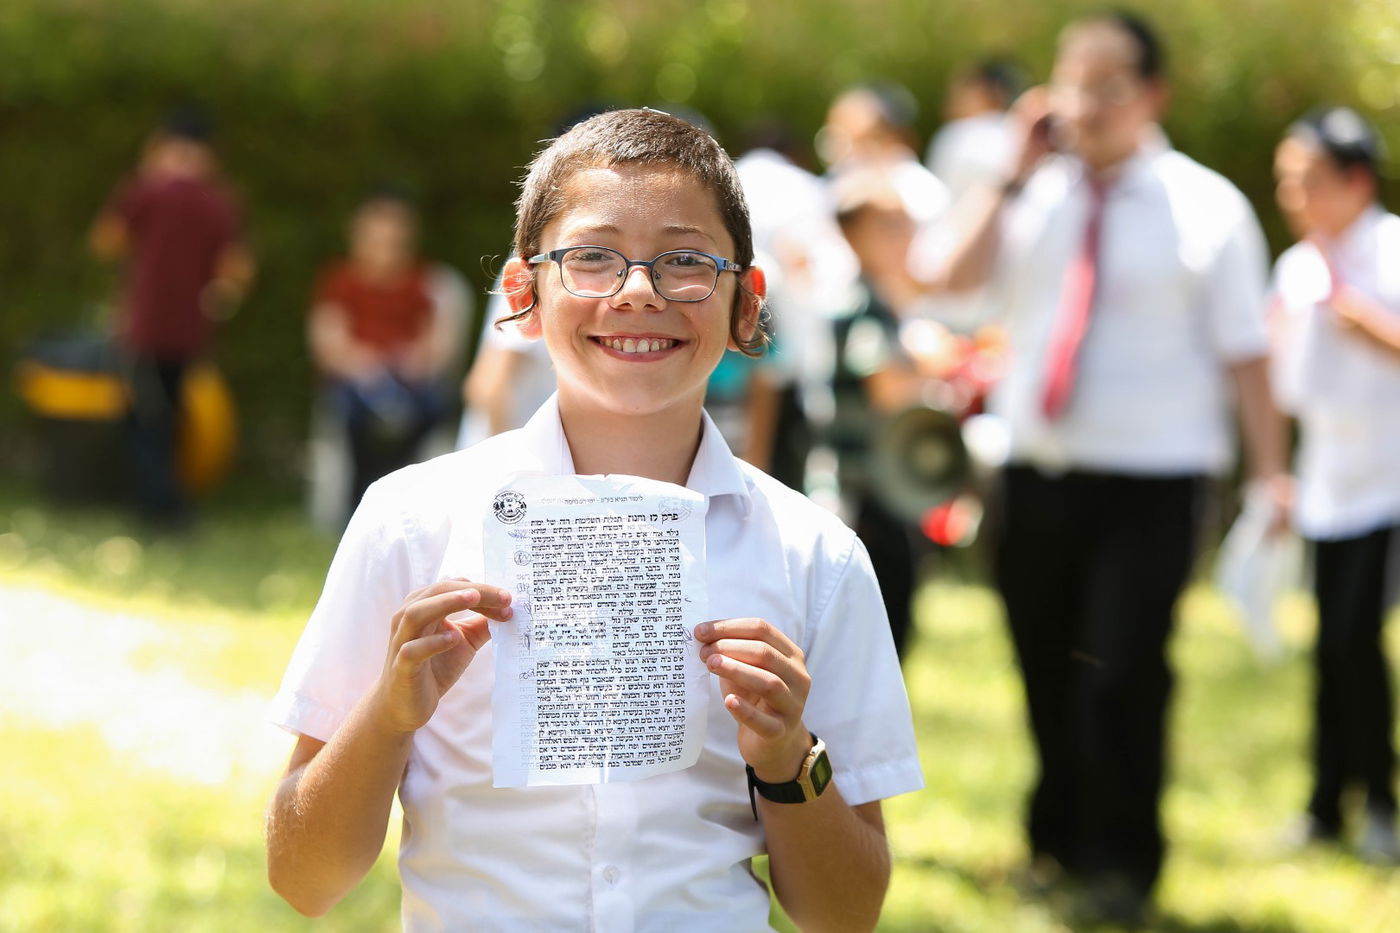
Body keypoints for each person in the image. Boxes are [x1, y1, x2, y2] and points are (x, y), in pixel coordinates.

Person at [267, 108, 921, 931]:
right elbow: (301, 877)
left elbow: (847, 912)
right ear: (522, 294)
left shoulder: (815, 557)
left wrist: (790, 759)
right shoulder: (412, 522)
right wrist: (388, 716)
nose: (637, 290)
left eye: (685, 261)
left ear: (747, 304)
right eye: (591, 259)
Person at [927, 13, 1289, 923]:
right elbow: (942, 279)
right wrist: (1010, 170)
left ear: (1152, 94)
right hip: (1037, 469)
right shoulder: (1030, 193)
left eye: (1106, 84)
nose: (1084, 103)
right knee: (1044, 661)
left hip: (1158, 478)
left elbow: (1249, 353)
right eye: (1070, 81)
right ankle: (1057, 841)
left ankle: (1128, 857)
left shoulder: (1208, 206)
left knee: (1124, 667)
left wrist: (1272, 473)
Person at [1269, 106, 1400, 862]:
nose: (1295, 196)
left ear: (1356, 180)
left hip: (1387, 484)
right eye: (1288, 182)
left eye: (1308, 180)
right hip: (1327, 482)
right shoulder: (1298, 265)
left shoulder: (1389, 249)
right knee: (1329, 647)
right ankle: (1325, 803)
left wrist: (1363, 317)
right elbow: (1287, 384)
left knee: (1357, 641)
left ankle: (1380, 799)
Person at [89, 106, 253, 528]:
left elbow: (106, 241)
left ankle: (161, 507)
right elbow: (236, 270)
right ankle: (170, 503)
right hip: (190, 331)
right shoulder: (219, 202)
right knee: (173, 416)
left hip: (143, 328)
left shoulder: (147, 190)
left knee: (142, 419)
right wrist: (218, 298)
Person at [308, 190, 457, 516]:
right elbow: (328, 339)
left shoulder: (418, 280)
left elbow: (433, 338)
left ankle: (404, 492)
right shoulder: (342, 280)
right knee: (355, 415)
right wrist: (361, 363)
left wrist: (414, 359)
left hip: (405, 376)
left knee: (432, 407)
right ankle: (356, 502)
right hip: (355, 377)